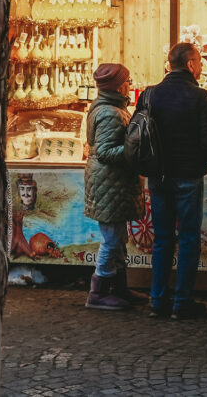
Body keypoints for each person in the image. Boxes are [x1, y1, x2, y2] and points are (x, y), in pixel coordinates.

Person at [143, 42, 207, 320]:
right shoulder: (200, 97)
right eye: (199, 62)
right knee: (188, 238)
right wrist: (201, 163)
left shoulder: (150, 95)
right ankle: (182, 302)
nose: (201, 67)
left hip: (158, 176)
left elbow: (137, 135)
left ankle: (157, 300)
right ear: (190, 64)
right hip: (188, 175)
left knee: (162, 239)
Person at [83, 63, 145, 311]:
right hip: (109, 183)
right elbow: (107, 152)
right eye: (128, 80)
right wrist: (137, 148)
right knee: (111, 239)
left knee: (118, 238)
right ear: (118, 85)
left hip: (111, 184)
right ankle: (97, 293)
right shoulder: (109, 112)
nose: (130, 84)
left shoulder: (108, 107)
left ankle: (119, 288)